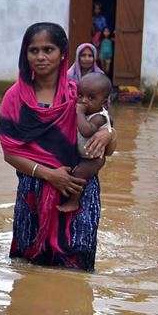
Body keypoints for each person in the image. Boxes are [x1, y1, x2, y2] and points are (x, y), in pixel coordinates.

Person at [0, 22, 114, 270]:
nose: (40, 57)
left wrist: (107, 136)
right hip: (34, 188)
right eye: (33, 50)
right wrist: (50, 174)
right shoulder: (14, 98)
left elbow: (109, 146)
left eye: (48, 50)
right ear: (25, 55)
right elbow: (9, 153)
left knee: (78, 266)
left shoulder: (79, 95)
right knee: (28, 266)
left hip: (78, 187)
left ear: (62, 54)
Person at [58, 72, 112, 214]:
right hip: (83, 155)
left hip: (94, 159)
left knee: (78, 174)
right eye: (80, 96)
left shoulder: (99, 117)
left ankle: (73, 202)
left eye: (91, 98)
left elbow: (86, 131)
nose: (84, 101)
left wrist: (79, 113)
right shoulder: (87, 112)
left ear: (104, 102)